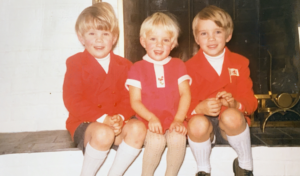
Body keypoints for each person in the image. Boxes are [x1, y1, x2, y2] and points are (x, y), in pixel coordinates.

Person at [62, 2, 147, 176]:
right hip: (86, 123)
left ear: (114, 38)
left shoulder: (125, 65)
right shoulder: (76, 63)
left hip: (116, 123)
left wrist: (120, 117)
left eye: (105, 33)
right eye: (92, 33)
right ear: (81, 37)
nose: (99, 39)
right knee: (103, 133)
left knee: (138, 128)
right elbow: (73, 100)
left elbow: (130, 98)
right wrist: (103, 119)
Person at [185, 5, 258, 176]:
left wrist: (235, 104)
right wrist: (198, 109)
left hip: (230, 125)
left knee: (231, 116)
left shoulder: (240, 63)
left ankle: (245, 165)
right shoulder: (188, 68)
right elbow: (180, 104)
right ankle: (203, 169)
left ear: (228, 35)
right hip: (203, 126)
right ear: (197, 38)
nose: (211, 38)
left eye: (217, 32)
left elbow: (251, 102)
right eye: (204, 33)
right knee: (196, 123)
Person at [125, 12, 192, 176]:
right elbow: (135, 101)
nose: (159, 45)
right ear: (143, 41)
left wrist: (178, 119)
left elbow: (185, 94)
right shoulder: (137, 68)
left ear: (173, 43)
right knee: (156, 141)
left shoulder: (178, 65)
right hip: (147, 120)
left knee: (178, 138)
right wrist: (151, 118)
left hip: (172, 119)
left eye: (165, 40)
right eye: (153, 39)